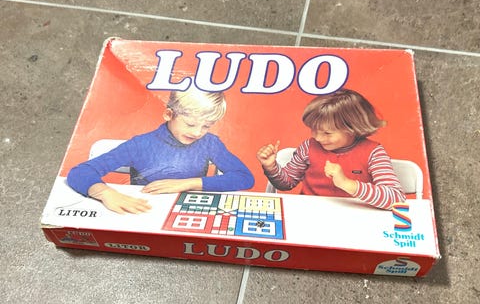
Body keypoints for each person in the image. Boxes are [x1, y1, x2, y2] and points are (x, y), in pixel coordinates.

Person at [68, 86, 254, 214]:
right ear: (168, 114)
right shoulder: (140, 145)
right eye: (190, 124)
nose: (198, 132)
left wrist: (189, 183)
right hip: (143, 210)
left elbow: (244, 177)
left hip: (187, 211)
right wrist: (105, 193)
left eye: (206, 126)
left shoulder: (210, 143)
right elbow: (80, 172)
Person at [257, 89, 406, 210]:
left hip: (356, 219)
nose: (318, 138)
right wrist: (271, 166)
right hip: (310, 215)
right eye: (314, 130)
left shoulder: (374, 153)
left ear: (353, 129)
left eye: (327, 133)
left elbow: (396, 199)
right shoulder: (308, 147)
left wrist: (347, 184)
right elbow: (286, 183)